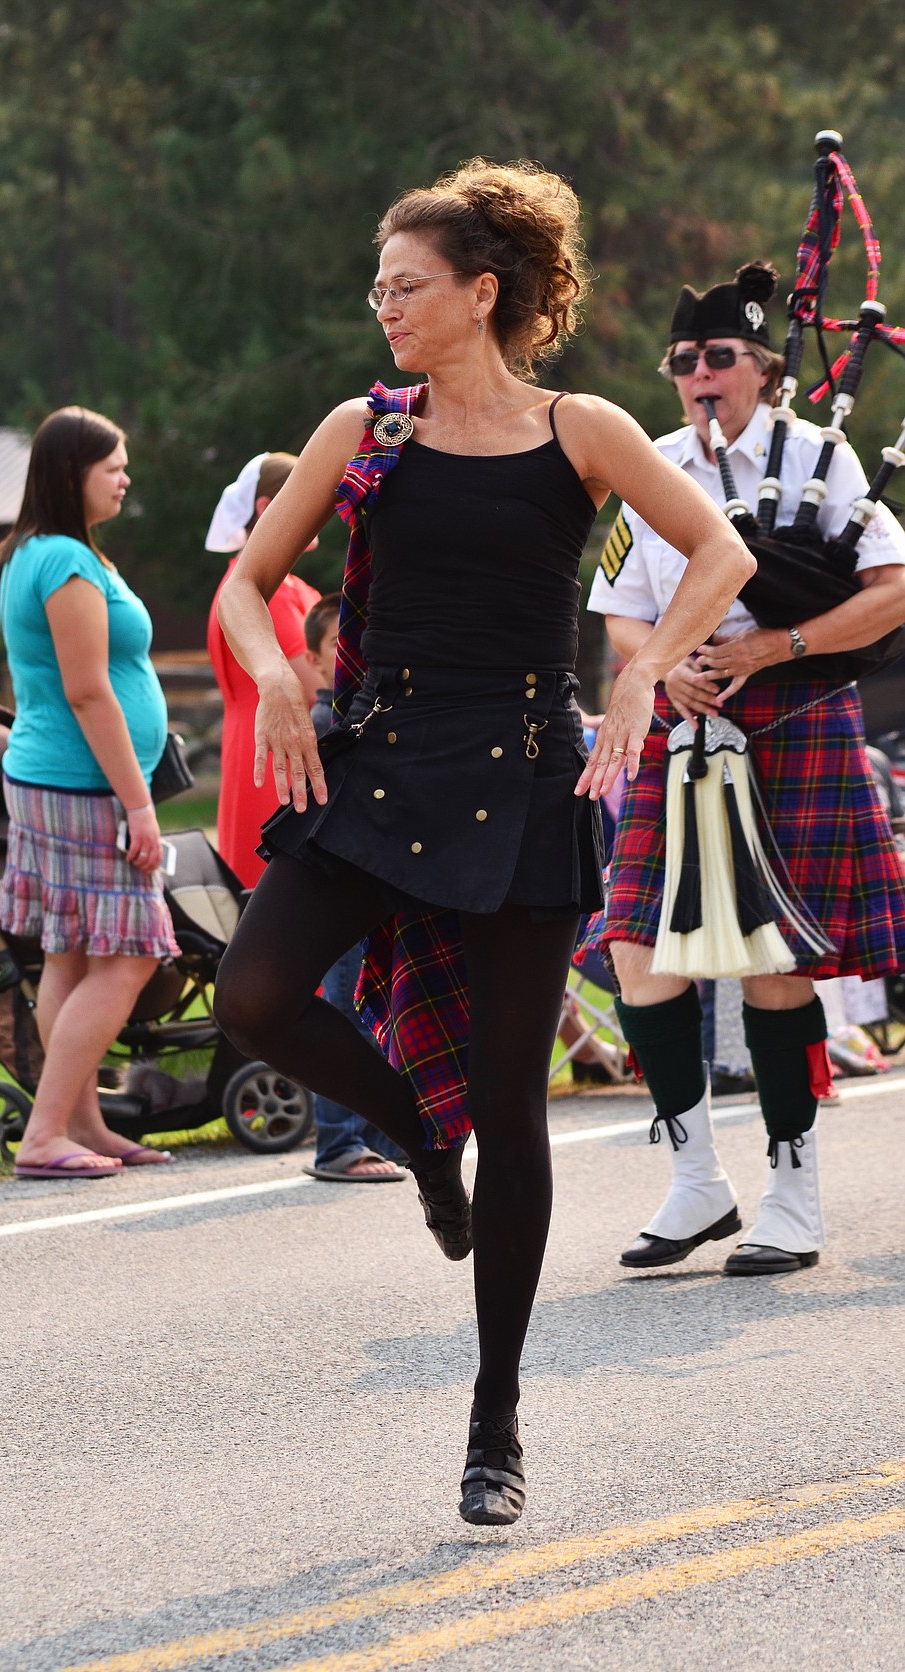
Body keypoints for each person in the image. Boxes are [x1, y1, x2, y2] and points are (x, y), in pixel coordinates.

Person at [211, 159, 754, 1526]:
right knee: (255, 994)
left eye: (406, 285)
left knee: (514, 1102)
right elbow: (243, 580)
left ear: (481, 294)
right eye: (378, 286)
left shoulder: (582, 431)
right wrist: (273, 672)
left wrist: (638, 677)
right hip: (374, 763)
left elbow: (719, 554)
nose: (382, 305)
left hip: (522, 781)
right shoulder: (364, 428)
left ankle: (494, 1416)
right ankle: (407, 1129)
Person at [586, 261, 905, 1276]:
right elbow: (620, 610)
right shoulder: (652, 464)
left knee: (775, 963)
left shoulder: (822, 457)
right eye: (683, 361)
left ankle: (795, 1191)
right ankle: (696, 1183)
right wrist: (662, 663)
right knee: (638, 949)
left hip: (790, 709)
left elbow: (892, 588)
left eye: (718, 357)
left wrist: (778, 645)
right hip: (678, 720)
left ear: (765, 368)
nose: (696, 374)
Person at [0, 407, 180, 1178]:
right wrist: (138, 804)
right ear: (73, 476)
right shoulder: (64, 562)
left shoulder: (46, 552)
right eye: (113, 467)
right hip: (82, 787)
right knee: (132, 956)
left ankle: (83, 1124)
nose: (125, 477)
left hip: (58, 780)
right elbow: (88, 691)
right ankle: (43, 1137)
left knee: (70, 957)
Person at [301, 595, 406, 1181]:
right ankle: (339, 1144)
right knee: (344, 1015)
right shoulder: (328, 725)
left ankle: (378, 1139)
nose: (356, 658)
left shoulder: (370, 715)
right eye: (340, 650)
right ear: (317, 663)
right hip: (340, 889)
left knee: (376, 1013)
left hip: (375, 888)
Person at [206, 454, 319, 887]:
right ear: (265, 508)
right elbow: (312, 688)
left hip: (250, 739)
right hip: (278, 745)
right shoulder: (270, 592)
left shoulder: (250, 582)